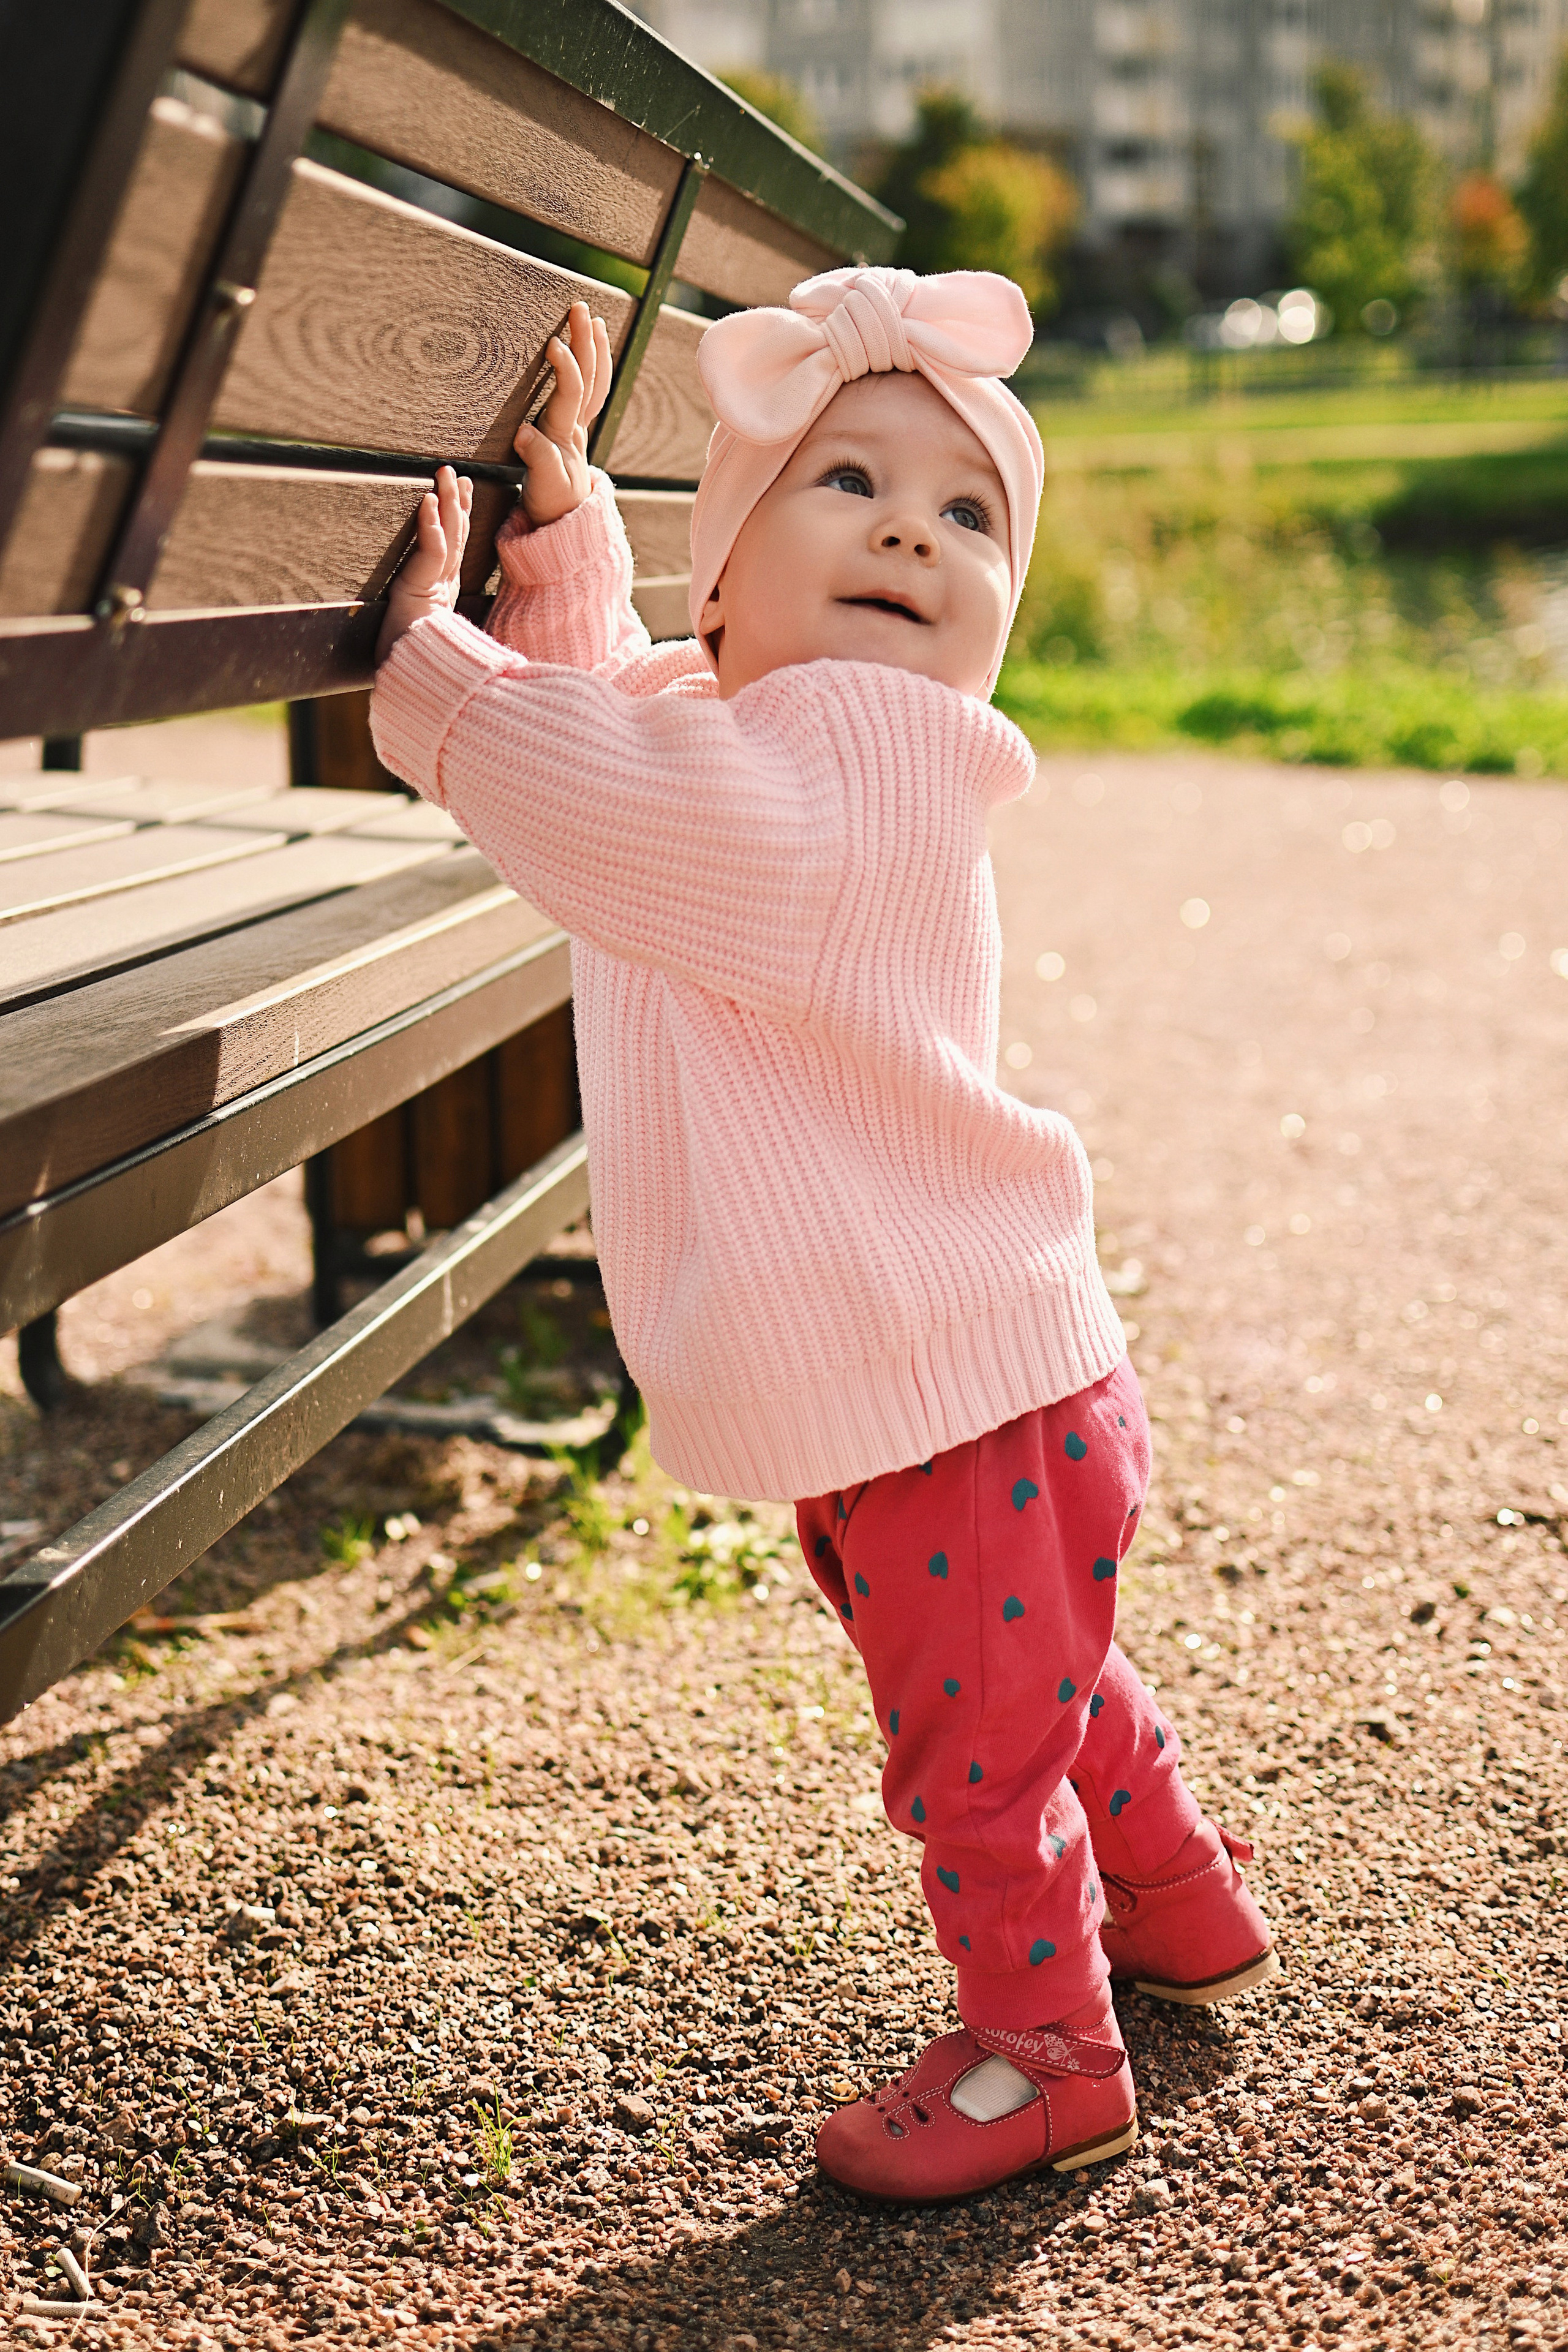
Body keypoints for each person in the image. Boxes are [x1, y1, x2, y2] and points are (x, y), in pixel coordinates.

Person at [369, 270, 1277, 2206]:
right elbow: (635, 735)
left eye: (968, 517)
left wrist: (437, 685)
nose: (906, 529)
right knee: (1044, 1688)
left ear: (994, 622)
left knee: (977, 1761)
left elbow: (599, 791)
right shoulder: (756, 736)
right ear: (725, 585)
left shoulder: (856, 761)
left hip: (946, 1396)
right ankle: (1184, 1903)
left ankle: (1045, 2056)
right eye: (847, 480)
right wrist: (566, 578)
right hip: (973, 1378)